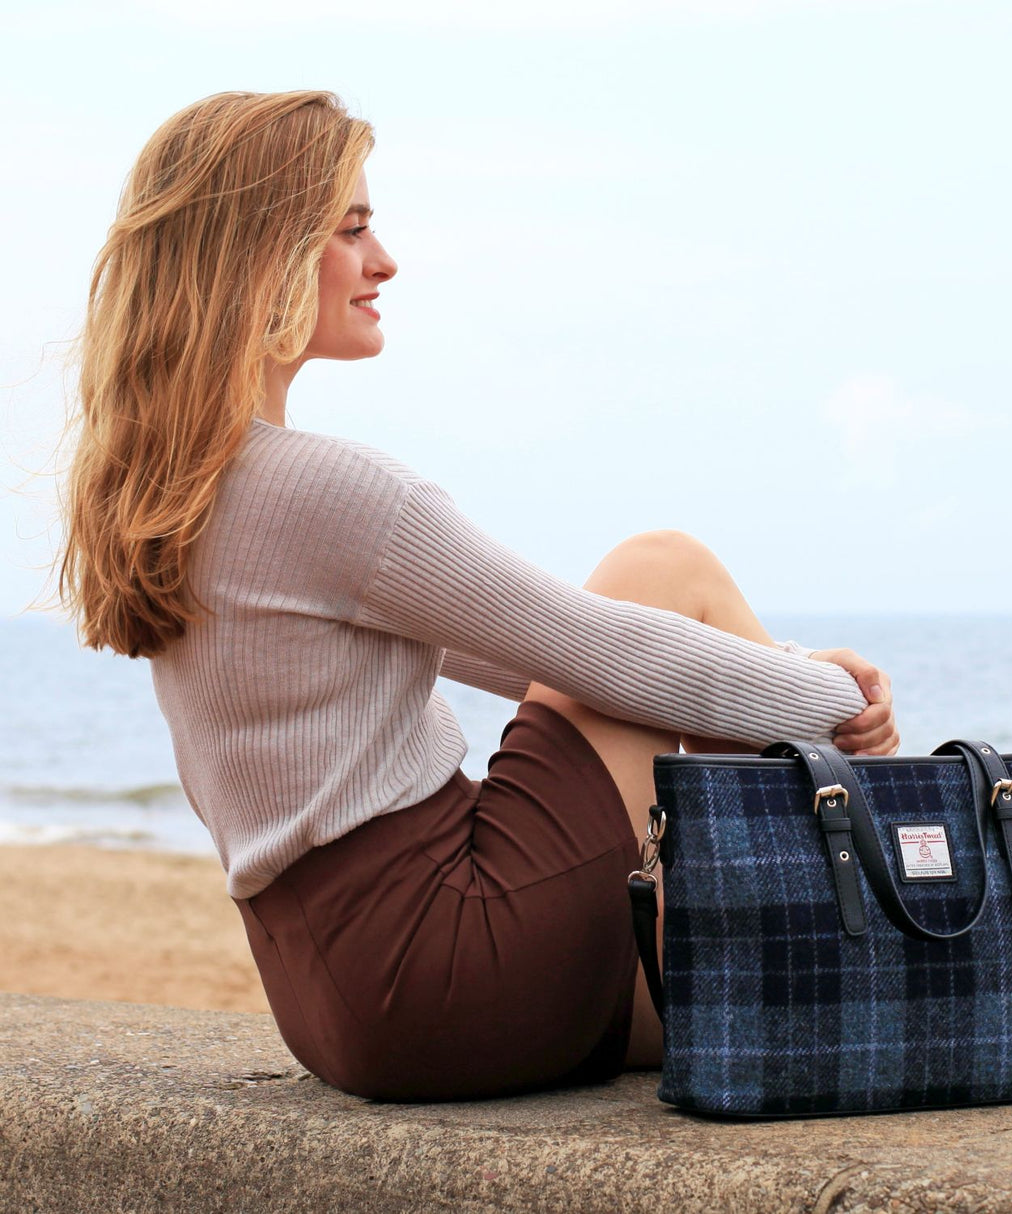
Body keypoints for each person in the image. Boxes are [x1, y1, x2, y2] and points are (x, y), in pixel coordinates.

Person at [58, 91, 899, 1101]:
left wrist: (785, 673)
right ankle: (886, 900)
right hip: (446, 946)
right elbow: (598, 651)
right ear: (262, 252)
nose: (385, 261)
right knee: (661, 564)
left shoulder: (179, 491)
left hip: (338, 1005)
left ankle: (831, 936)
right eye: (353, 227)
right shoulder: (321, 489)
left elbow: (524, 658)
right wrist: (829, 710)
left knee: (718, 974)